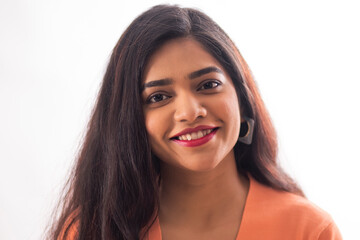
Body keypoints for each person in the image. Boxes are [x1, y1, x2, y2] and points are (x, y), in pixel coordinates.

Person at [48, 4, 342, 240]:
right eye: (158, 97)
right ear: (130, 119)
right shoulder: (90, 231)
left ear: (241, 95)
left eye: (208, 85)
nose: (189, 112)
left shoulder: (309, 230)